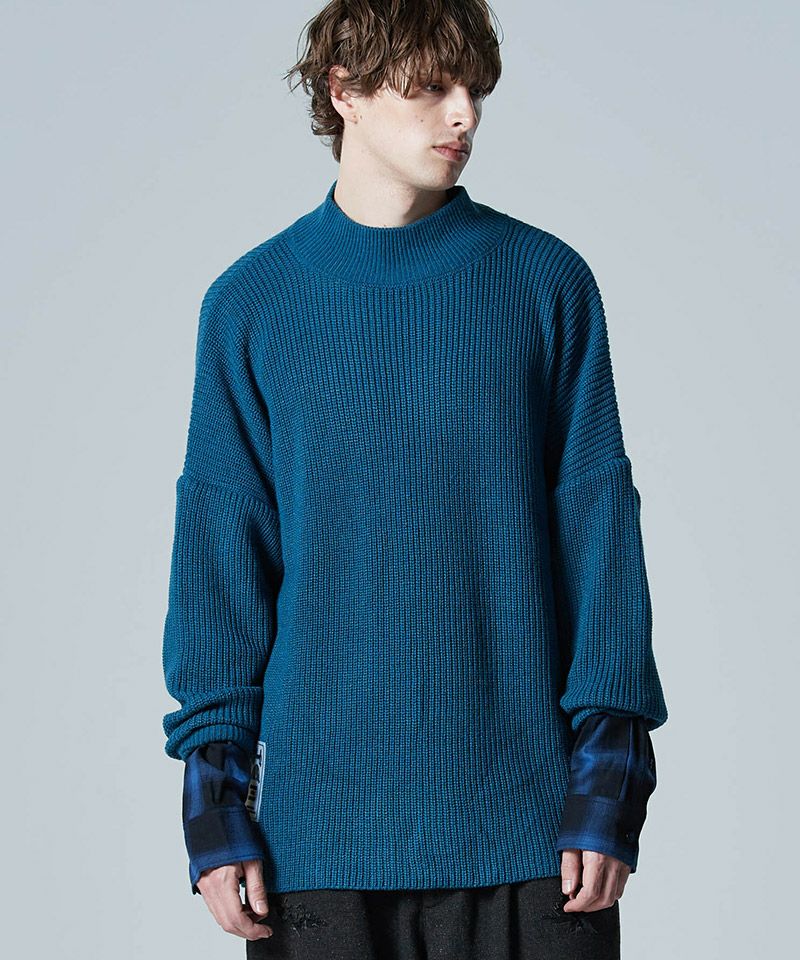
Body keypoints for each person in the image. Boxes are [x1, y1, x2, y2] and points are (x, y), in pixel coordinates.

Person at [161, 2, 668, 957]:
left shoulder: (544, 284)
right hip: (318, 849)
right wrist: (215, 808)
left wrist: (608, 788)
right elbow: (221, 564)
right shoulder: (251, 306)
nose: (464, 113)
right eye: (431, 87)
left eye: (474, 88)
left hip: (533, 841)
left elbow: (600, 539)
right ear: (343, 92)